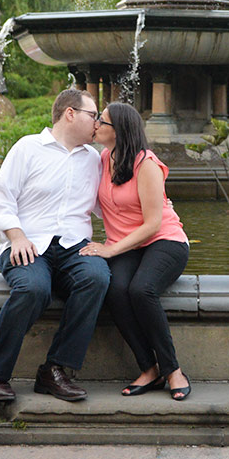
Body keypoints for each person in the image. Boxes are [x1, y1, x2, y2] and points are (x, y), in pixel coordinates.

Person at [0, 88, 109, 402]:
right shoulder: (28, 148)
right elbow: (2, 197)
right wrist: (17, 236)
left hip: (75, 246)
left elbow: (110, 205)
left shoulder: (94, 159)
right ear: (70, 113)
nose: (98, 123)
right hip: (28, 243)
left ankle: (55, 370)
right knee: (34, 288)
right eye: (94, 115)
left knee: (97, 277)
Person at [78, 103, 192, 401]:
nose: (95, 125)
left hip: (164, 240)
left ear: (119, 131)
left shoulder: (146, 164)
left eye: (100, 121)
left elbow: (153, 223)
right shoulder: (103, 158)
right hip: (127, 244)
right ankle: (148, 368)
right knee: (115, 291)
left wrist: (110, 249)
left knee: (142, 290)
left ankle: (172, 369)